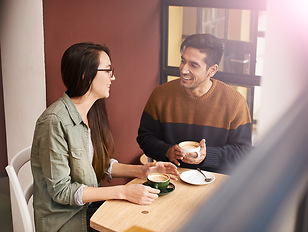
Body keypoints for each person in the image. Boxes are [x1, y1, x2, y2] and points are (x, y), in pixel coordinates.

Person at [31, 42, 179, 232]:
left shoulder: (90, 112)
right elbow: (61, 191)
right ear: (85, 75)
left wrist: (142, 171)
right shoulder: (54, 122)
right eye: (108, 70)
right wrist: (124, 192)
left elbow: (96, 164)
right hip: (67, 221)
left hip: (90, 209)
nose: (113, 77)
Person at [137, 33, 252, 174]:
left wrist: (207, 155)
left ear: (212, 70)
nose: (183, 69)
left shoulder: (235, 102)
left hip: (215, 183)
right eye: (183, 61)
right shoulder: (161, 95)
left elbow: (244, 152)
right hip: (172, 178)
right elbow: (145, 137)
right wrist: (167, 151)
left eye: (194, 65)